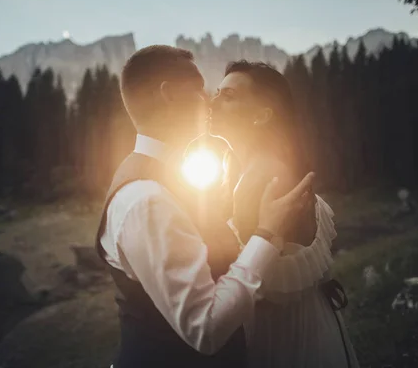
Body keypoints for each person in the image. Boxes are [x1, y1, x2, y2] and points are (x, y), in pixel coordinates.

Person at [95, 46, 316, 368]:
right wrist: (267, 235)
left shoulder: (162, 178)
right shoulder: (148, 200)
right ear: (169, 95)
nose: (208, 101)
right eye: (199, 90)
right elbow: (206, 329)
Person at [210, 60, 360, 368]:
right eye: (216, 92)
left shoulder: (263, 177)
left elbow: (264, 283)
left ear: (262, 116)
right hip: (304, 322)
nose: (213, 102)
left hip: (284, 334)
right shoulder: (254, 167)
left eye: (229, 96)